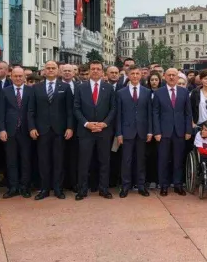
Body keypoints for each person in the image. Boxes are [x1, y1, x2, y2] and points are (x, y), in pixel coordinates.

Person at [28, 61, 75, 200]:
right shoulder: (36, 88)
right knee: (43, 161)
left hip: (59, 130)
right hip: (41, 130)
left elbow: (69, 110)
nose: (50, 70)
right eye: (48, 68)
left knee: (59, 161)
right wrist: (32, 127)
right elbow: (31, 110)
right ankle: (44, 189)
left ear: (57, 70)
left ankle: (58, 189)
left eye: (53, 68)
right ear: (44, 71)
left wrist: (70, 127)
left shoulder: (65, 87)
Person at [74, 61, 117, 200]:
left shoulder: (109, 88)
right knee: (84, 162)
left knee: (104, 161)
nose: (95, 71)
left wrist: (104, 124)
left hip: (103, 131)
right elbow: (76, 108)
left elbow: (113, 108)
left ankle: (103, 189)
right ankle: (82, 189)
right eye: (93, 69)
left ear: (102, 72)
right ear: (89, 71)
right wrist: (87, 124)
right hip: (86, 131)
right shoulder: (80, 88)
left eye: (98, 69)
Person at [152, 68, 192, 196]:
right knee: (163, 159)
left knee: (178, 159)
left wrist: (188, 130)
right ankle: (164, 185)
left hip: (180, 131)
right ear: (164, 77)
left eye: (173, 75)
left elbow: (188, 113)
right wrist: (157, 131)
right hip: (163, 132)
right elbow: (155, 114)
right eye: (168, 75)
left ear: (177, 77)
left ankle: (178, 184)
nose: (171, 77)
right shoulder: (159, 93)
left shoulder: (184, 92)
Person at [115, 65, 153, 198]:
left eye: (138, 73)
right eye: (133, 74)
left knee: (141, 160)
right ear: (128, 75)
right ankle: (125, 186)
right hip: (126, 132)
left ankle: (141, 186)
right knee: (126, 160)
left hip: (142, 131)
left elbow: (149, 114)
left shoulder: (147, 92)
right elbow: (118, 114)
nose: (135, 76)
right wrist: (119, 133)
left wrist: (150, 131)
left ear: (141, 75)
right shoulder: (121, 92)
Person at [0, 67, 34, 199]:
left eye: (20, 76)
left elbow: (33, 111)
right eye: (15, 76)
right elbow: (1, 112)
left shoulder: (31, 91)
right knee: (11, 160)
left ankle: (25, 187)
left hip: (26, 131)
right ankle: (13, 187)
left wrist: (32, 128)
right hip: (10, 131)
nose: (18, 78)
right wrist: (2, 129)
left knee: (26, 160)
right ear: (11, 77)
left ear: (24, 77)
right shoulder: (5, 91)